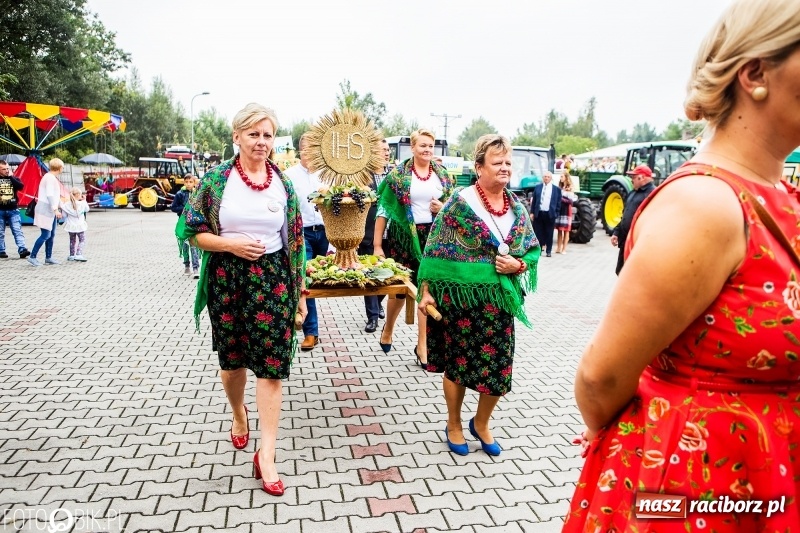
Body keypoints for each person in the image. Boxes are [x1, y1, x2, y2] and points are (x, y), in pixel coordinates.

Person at [565, 1, 800, 530]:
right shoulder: (705, 206)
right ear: (755, 74)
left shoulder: (777, 194)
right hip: (697, 489)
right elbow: (601, 379)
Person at [179, 103, 307, 497]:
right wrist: (230, 245)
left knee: (271, 368)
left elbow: (296, 242)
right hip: (228, 279)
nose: (261, 142)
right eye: (253, 134)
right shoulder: (217, 181)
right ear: (237, 137)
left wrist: (300, 293)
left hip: (273, 282)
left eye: (268, 135)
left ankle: (266, 454)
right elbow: (192, 230)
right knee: (232, 363)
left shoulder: (283, 184)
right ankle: (238, 413)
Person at [417, 134, 540, 456]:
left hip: (500, 303)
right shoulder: (460, 203)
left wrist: (517, 265)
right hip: (459, 301)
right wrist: (426, 292)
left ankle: (481, 423)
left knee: (499, 371)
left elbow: (531, 249)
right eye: (497, 162)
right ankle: (454, 424)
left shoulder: (517, 207)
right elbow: (434, 250)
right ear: (479, 167)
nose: (505, 167)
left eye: (508, 162)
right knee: (458, 367)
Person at [373, 128, 453, 367]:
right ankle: (388, 328)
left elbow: (453, 205)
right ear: (413, 148)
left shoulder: (442, 174)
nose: (427, 150)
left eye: (430, 146)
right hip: (404, 238)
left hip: (433, 238)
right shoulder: (398, 176)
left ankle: (422, 346)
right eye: (423, 145)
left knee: (426, 290)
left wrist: (443, 207)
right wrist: (377, 245)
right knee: (400, 291)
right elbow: (384, 209)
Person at [285, 132, 328, 351]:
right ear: (300, 150)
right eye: (306, 149)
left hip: (327, 232)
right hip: (302, 234)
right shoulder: (289, 176)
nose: (310, 153)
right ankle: (311, 332)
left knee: (330, 278)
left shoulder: (327, 175)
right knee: (306, 280)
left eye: (315, 149)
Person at [358, 138, 389, 333]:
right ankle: (373, 317)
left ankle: (378, 302)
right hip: (368, 234)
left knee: (388, 275)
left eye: (387, 149)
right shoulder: (363, 177)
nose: (386, 152)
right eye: (382, 149)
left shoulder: (394, 176)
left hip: (391, 235)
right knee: (369, 275)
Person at [610, 164, 655, 275]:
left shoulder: (652, 194)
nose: (631, 180)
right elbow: (625, 215)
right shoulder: (633, 193)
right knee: (620, 271)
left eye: (634, 177)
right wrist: (616, 232)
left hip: (638, 242)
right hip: (625, 240)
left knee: (632, 274)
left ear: (642, 177)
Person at [28, 158, 64, 267]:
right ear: (59, 168)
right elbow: (49, 195)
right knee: (46, 234)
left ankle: (48, 257)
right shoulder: (50, 178)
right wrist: (55, 209)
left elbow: (54, 195)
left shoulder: (50, 177)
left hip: (49, 210)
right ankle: (32, 256)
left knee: (51, 234)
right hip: (46, 209)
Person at [171, 174, 200, 278]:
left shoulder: (197, 194)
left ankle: (196, 268)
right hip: (183, 224)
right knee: (185, 246)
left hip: (193, 224)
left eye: (190, 182)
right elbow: (173, 207)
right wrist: (184, 209)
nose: (188, 184)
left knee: (194, 246)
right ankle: (187, 266)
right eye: (186, 182)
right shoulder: (180, 194)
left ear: (194, 183)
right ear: (184, 183)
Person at [0, 160, 30, 259]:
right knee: (0, 232)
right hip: (0, 210)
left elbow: (21, 186)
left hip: (13, 210)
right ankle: (1, 250)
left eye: (7, 169)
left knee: (17, 230)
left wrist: (10, 177)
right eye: (3, 169)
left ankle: (22, 249)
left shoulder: (13, 179)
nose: (6, 171)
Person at [529, 171, 561, 257]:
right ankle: (538, 250)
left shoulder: (556, 189)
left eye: (548, 177)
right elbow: (534, 201)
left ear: (551, 178)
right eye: (545, 176)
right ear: (543, 178)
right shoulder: (538, 187)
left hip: (550, 214)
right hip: (539, 213)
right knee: (538, 233)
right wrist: (532, 212)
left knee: (549, 233)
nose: (546, 178)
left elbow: (558, 203)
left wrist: (556, 213)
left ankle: (548, 251)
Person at [61, 187, 89, 262]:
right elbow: (87, 209)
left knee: (72, 240)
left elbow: (64, 215)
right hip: (80, 225)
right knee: (82, 240)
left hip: (71, 226)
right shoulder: (82, 203)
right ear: (78, 195)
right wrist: (84, 200)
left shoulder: (66, 205)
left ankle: (72, 255)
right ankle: (79, 254)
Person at [555, 173, 576, 254]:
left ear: (566, 177)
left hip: (566, 210)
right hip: (560, 210)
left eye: (562, 176)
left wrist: (561, 199)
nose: (560, 178)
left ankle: (564, 249)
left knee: (566, 230)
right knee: (559, 230)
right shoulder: (560, 187)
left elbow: (570, 201)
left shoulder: (569, 188)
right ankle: (558, 248)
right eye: (560, 176)